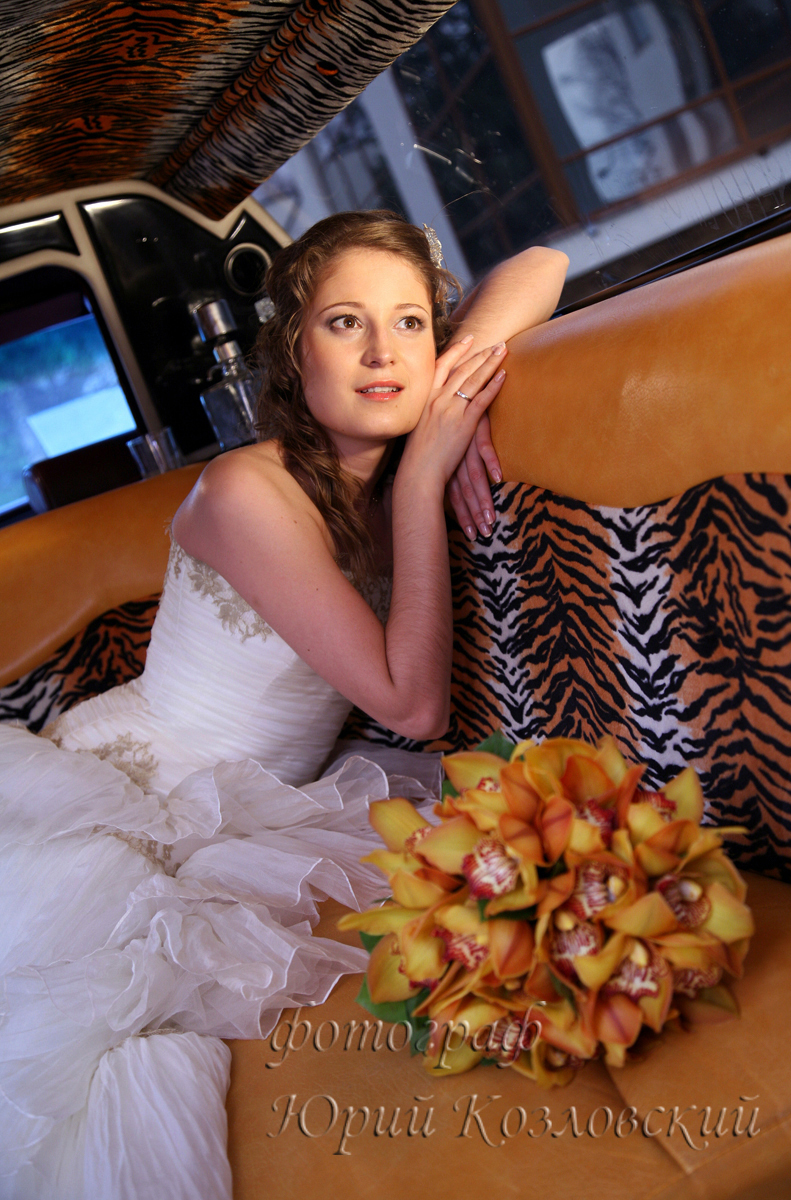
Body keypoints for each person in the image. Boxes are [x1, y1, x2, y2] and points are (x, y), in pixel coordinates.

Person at [0, 210, 568, 1199]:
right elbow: (414, 708)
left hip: (262, 801)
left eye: (409, 323)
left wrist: (456, 374)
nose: (383, 352)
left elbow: (541, 259)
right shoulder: (244, 490)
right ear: (293, 350)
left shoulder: (383, 454)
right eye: (346, 324)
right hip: (128, 794)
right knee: (82, 1055)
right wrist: (426, 476)